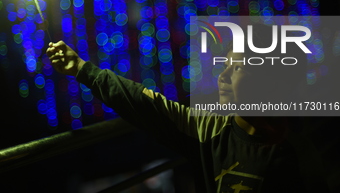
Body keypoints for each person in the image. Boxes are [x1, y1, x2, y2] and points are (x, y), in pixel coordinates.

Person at [46, 24, 307, 192]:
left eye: (238, 68)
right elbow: (144, 102)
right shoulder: (208, 129)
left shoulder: (295, 158)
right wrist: (81, 68)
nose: (223, 76)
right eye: (224, 65)